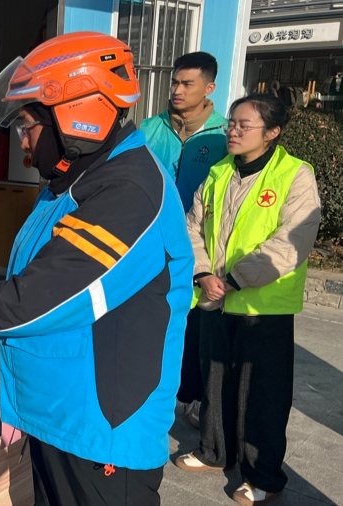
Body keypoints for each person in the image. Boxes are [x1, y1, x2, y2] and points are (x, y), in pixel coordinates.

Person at [0, 32, 194, 506]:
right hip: (59, 416)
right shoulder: (73, 180)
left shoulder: (127, 192)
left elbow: (35, 299)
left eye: (28, 126)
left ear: (78, 115)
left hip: (100, 434)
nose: (23, 142)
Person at [176, 94, 321, 506]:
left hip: (263, 305)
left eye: (244, 125)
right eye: (231, 124)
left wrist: (237, 278)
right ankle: (214, 452)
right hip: (215, 298)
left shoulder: (295, 175)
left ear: (272, 132)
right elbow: (192, 226)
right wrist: (203, 273)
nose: (233, 132)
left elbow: (294, 239)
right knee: (215, 382)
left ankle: (263, 476)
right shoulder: (220, 172)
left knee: (263, 395)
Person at [140, 51, 227, 429]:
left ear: (209, 88)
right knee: (150, 320)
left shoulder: (224, 135)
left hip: (199, 247)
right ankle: (146, 390)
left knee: (195, 328)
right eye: (174, 82)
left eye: (187, 83)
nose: (176, 89)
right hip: (151, 243)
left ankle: (191, 397)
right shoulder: (149, 129)